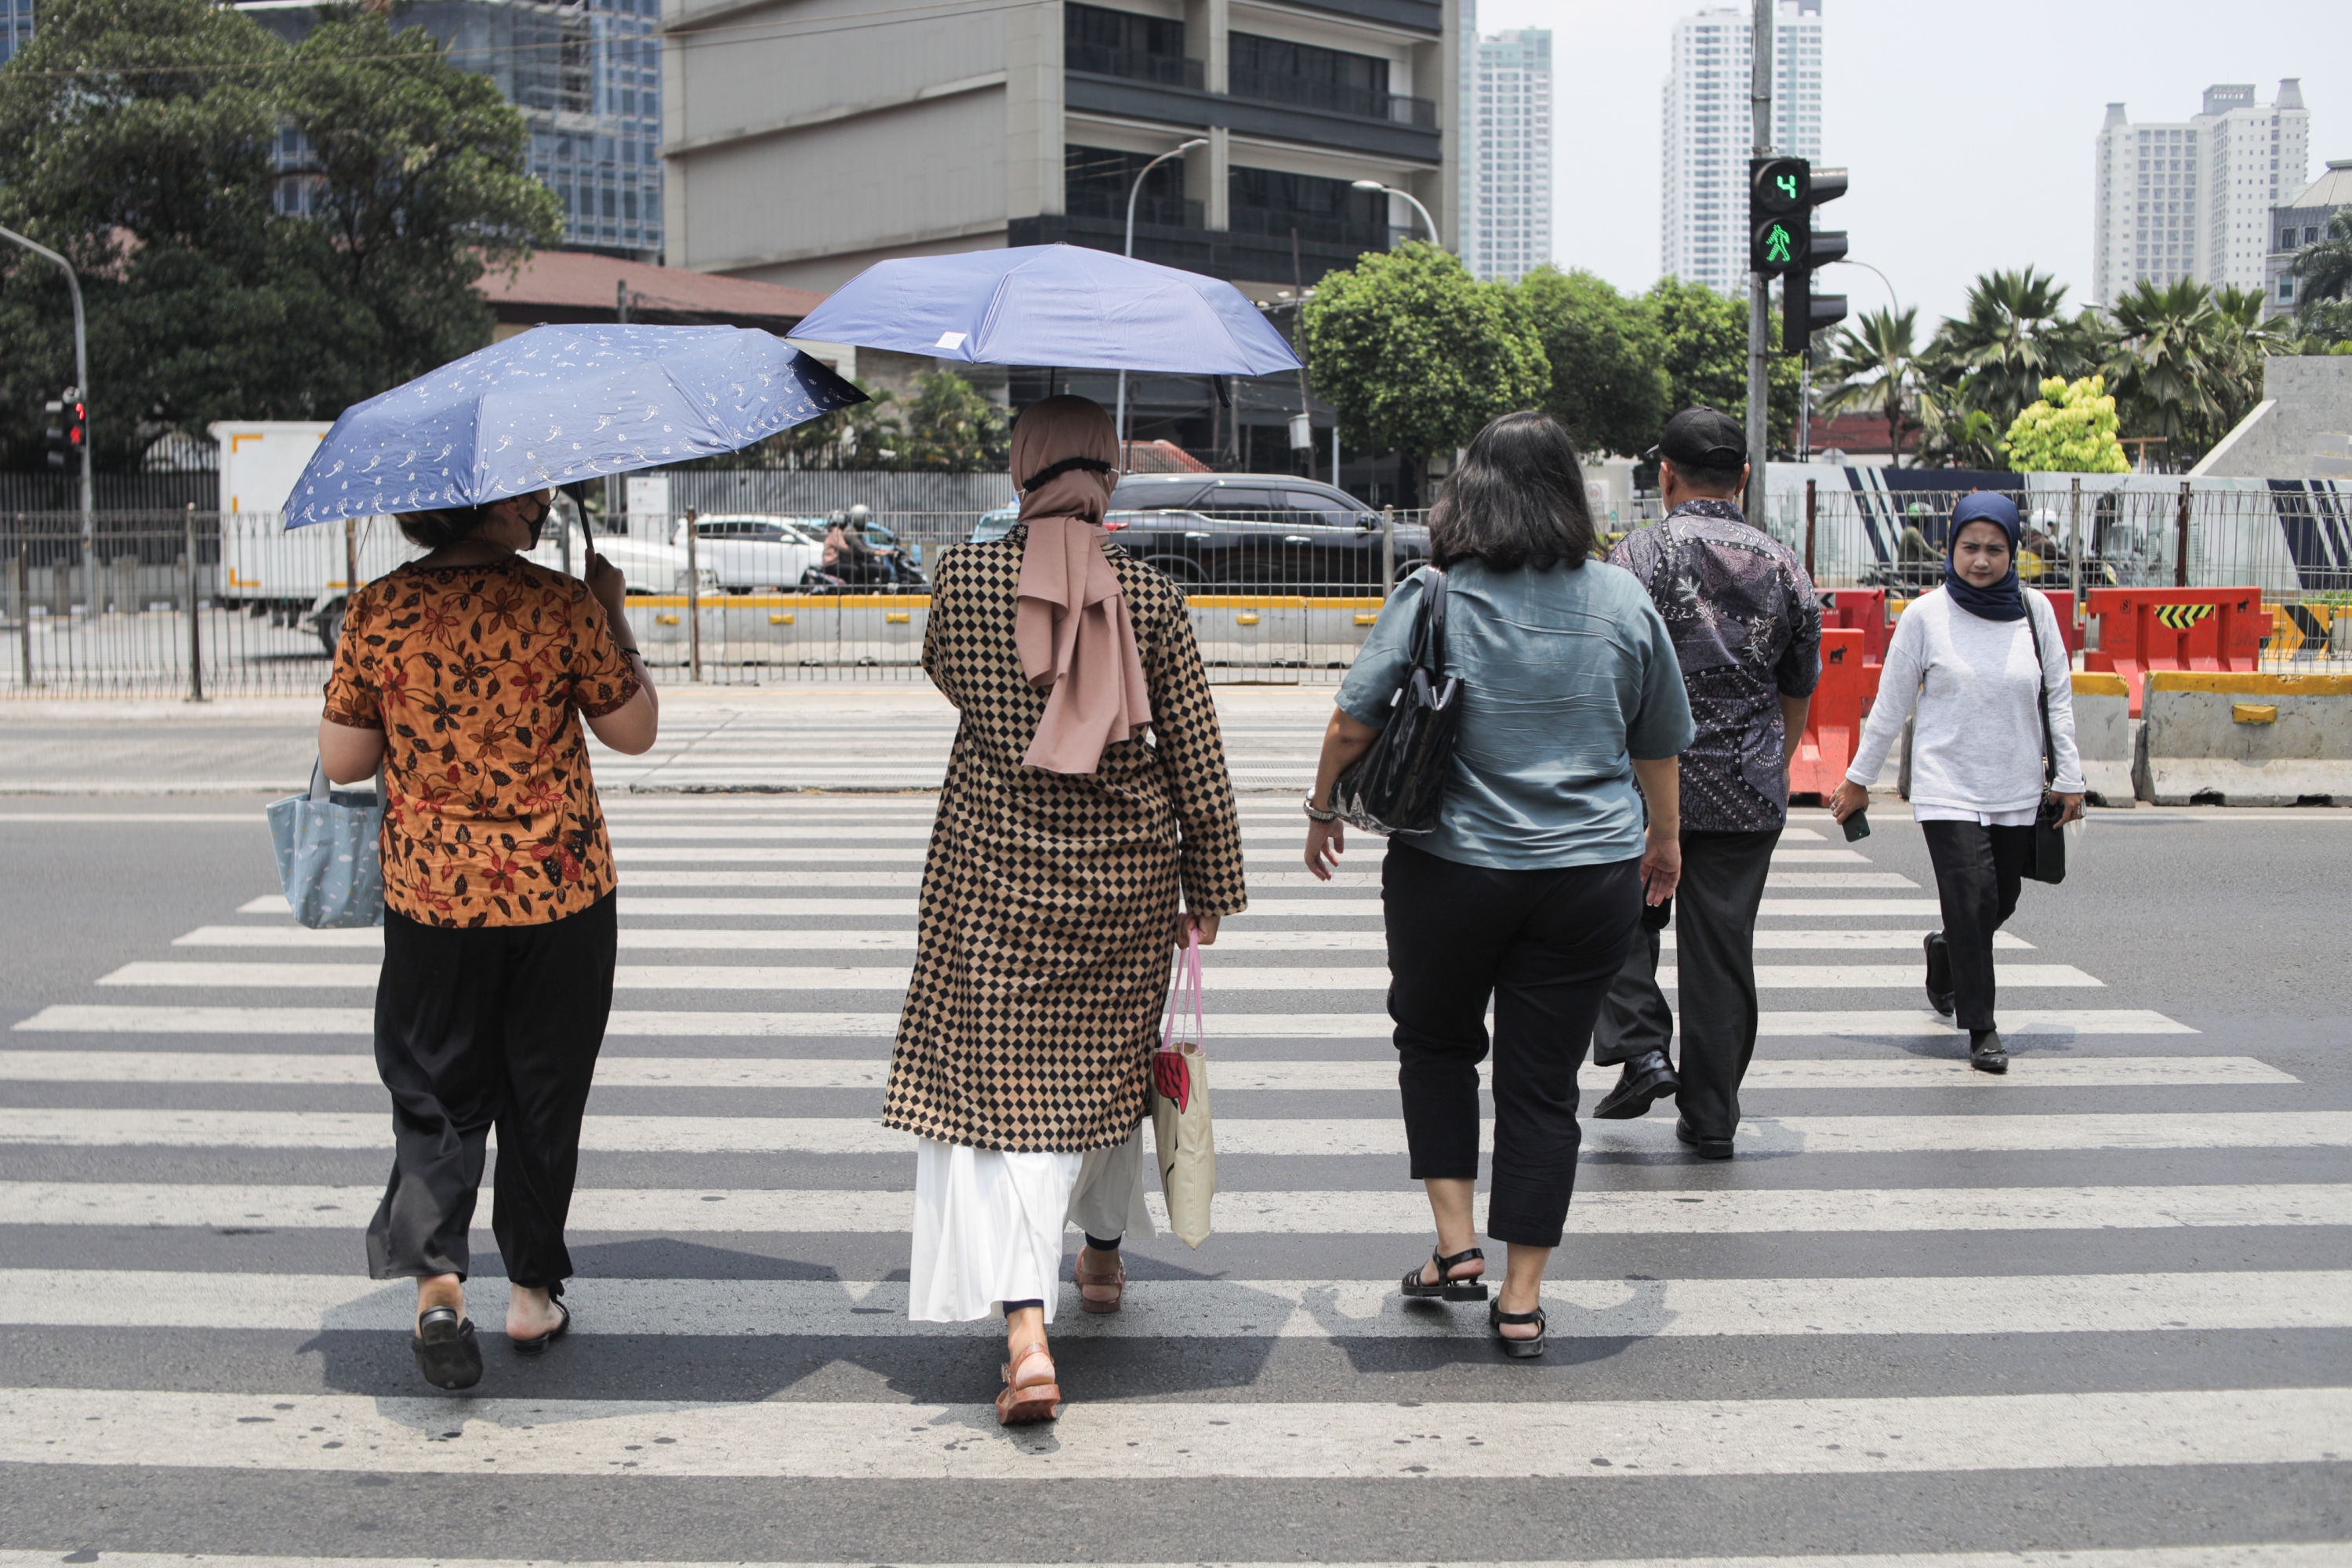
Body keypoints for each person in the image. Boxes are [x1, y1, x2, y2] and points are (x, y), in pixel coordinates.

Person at [884, 395, 1246, 1425]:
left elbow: (948, 676)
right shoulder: (1153, 598)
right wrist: (1210, 884)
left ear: (1021, 474)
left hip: (997, 878)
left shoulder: (963, 581)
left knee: (1008, 1100)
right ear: (1110, 478)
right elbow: (1198, 758)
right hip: (1125, 887)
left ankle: (1027, 1338)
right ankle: (1100, 1256)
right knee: (1099, 1075)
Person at [1301, 410, 1691, 1359]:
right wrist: (1666, 841)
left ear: (1469, 491)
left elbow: (1355, 720)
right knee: (1541, 1085)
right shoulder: (1621, 599)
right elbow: (1658, 740)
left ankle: (1453, 1243)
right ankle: (1521, 1299)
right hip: (1587, 875)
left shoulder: (1433, 593)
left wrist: (1321, 805)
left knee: (1434, 1044)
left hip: (1449, 871)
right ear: (1570, 492)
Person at [316, 488, 659, 1391]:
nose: (542, 503)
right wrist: (613, 611)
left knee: (435, 1089)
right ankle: (532, 1292)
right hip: (560, 891)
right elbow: (635, 731)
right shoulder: (562, 603)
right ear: (478, 503)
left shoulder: (377, 609)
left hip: (433, 899)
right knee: (544, 1093)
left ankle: (438, 1284)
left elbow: (346, 760)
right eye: (525, 494)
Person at [1588, 408, 1823, 1160]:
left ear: (1665, 475)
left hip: (1642, 785)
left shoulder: (1636, 558)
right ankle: (1713, 1118)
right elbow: (1799, 686)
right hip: (1746, 792)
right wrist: (1770, 765)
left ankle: (1642, 1045)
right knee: (1722, 956)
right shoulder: (1788, 567)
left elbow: (1608, 672)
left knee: (1615, 921)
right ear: (1744, 477)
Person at [1833, 492, 2084, 1073]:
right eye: (1970, 547)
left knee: (2001, 900)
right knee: (1970, 898)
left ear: (2013, 552)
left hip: (2017, 784)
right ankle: (1982, 1027)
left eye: (1995, 549)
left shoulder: (2035, 611)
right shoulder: (1925, 616)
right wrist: (1858, 780)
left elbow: (2060, 700)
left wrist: (2069, 777)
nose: (1980, 560)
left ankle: (1946, 950)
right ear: (1950, 548)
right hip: (1946, 785)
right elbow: (1890, 705)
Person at [824, 507, 883, 584]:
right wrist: (856, 552)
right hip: (831, 564)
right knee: (854, 569)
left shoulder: (836, 531)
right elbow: (843, 547)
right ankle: (851, 591)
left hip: (835, 562)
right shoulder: (836, 531)